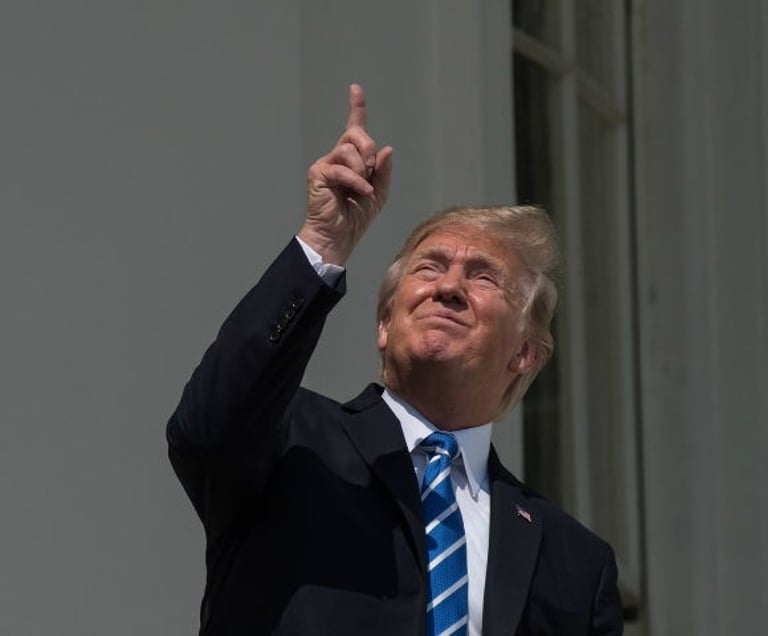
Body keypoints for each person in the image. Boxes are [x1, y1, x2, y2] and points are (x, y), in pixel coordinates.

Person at [167, 84, 623, 636]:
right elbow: (205, 426)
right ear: (385, 325)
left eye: (482, 277)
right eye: (429, 268)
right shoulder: (293, 442)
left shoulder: (574, 562)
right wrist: (323, 242)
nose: (449, 287)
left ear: (525, 351)